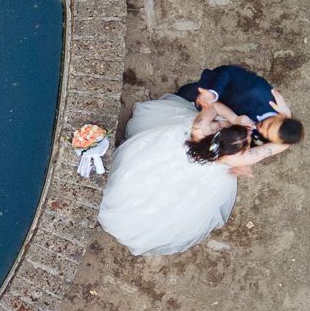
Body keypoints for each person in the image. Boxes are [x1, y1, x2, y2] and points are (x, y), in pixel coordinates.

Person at [96, 93, 270, 256]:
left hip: (177, 147)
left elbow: (212, 107)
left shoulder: (200, 128)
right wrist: (237, 123)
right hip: (205, 169)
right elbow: (262, 152)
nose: (249, 132)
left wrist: (234, 119)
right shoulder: (231, 159)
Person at [175, 64, 304, 153]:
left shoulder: (276, 135)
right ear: (281, 116)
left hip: (217, 125)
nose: (262, 131)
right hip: (217, 96)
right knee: (184, 96)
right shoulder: (258, 92)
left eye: (268, 136)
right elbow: (230, 72)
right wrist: (213, 94)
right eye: (268, 126)